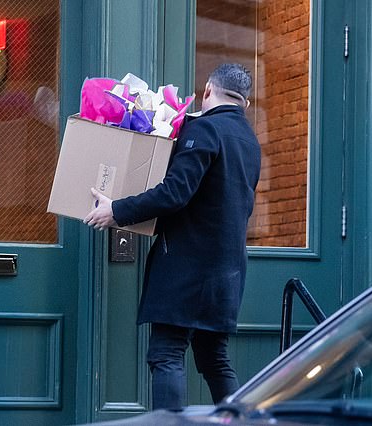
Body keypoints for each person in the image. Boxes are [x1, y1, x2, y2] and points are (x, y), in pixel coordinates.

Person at [84, 63, 261, 411]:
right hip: (228, 268)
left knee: (166, 353)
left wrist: (117, 210)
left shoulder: (205, 130)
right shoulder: (250, 142)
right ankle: (243, 422)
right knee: (213, 357)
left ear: (207, 90)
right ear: (246, 104)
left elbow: (175, 192)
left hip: (188, 265)